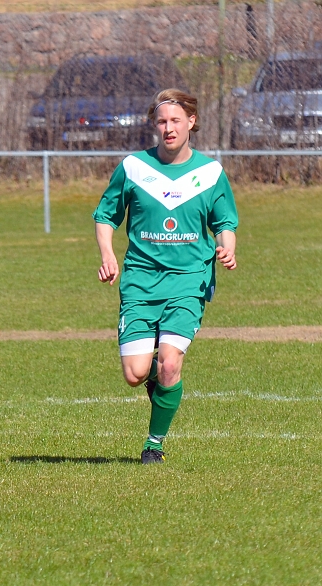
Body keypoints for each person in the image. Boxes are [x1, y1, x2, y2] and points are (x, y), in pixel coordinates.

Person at [94, 89, 238, 464]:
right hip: (140, 279)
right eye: (161, 121)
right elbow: (106, 215)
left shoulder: (210, 173)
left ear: (191, 122)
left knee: (170, 362)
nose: (168, 128)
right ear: (153, 125)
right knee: (135, 373)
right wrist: (108, 254)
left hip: (190, 279)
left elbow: (224, 222)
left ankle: (153, 445)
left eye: (176, 120)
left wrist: (227, 246)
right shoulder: (133, 167)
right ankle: (158, 383)